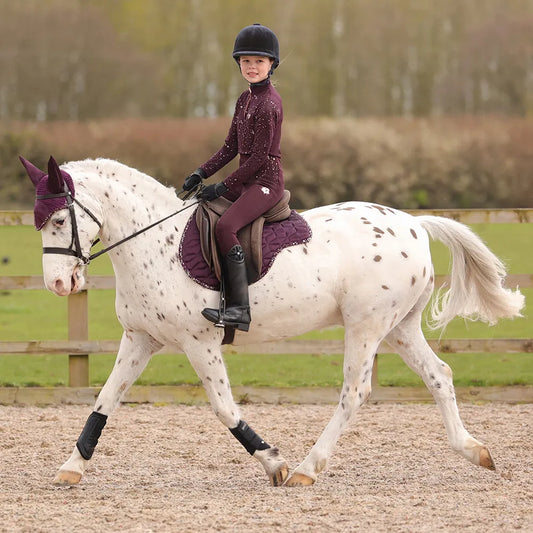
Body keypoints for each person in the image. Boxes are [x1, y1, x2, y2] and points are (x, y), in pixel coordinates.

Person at [182, 23, 284, 332]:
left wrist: (222, 186)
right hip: (246, 180)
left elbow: (257, 160)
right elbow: (231, 147)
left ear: (271, 65)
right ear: (239, 63)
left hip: (265, 183)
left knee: (226, 226)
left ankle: (240, 308)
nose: (252, 67)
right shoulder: (245, 99)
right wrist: (201, 172)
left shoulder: (268, 104)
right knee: (202, 212)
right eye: (246, 61)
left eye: (259, 62)